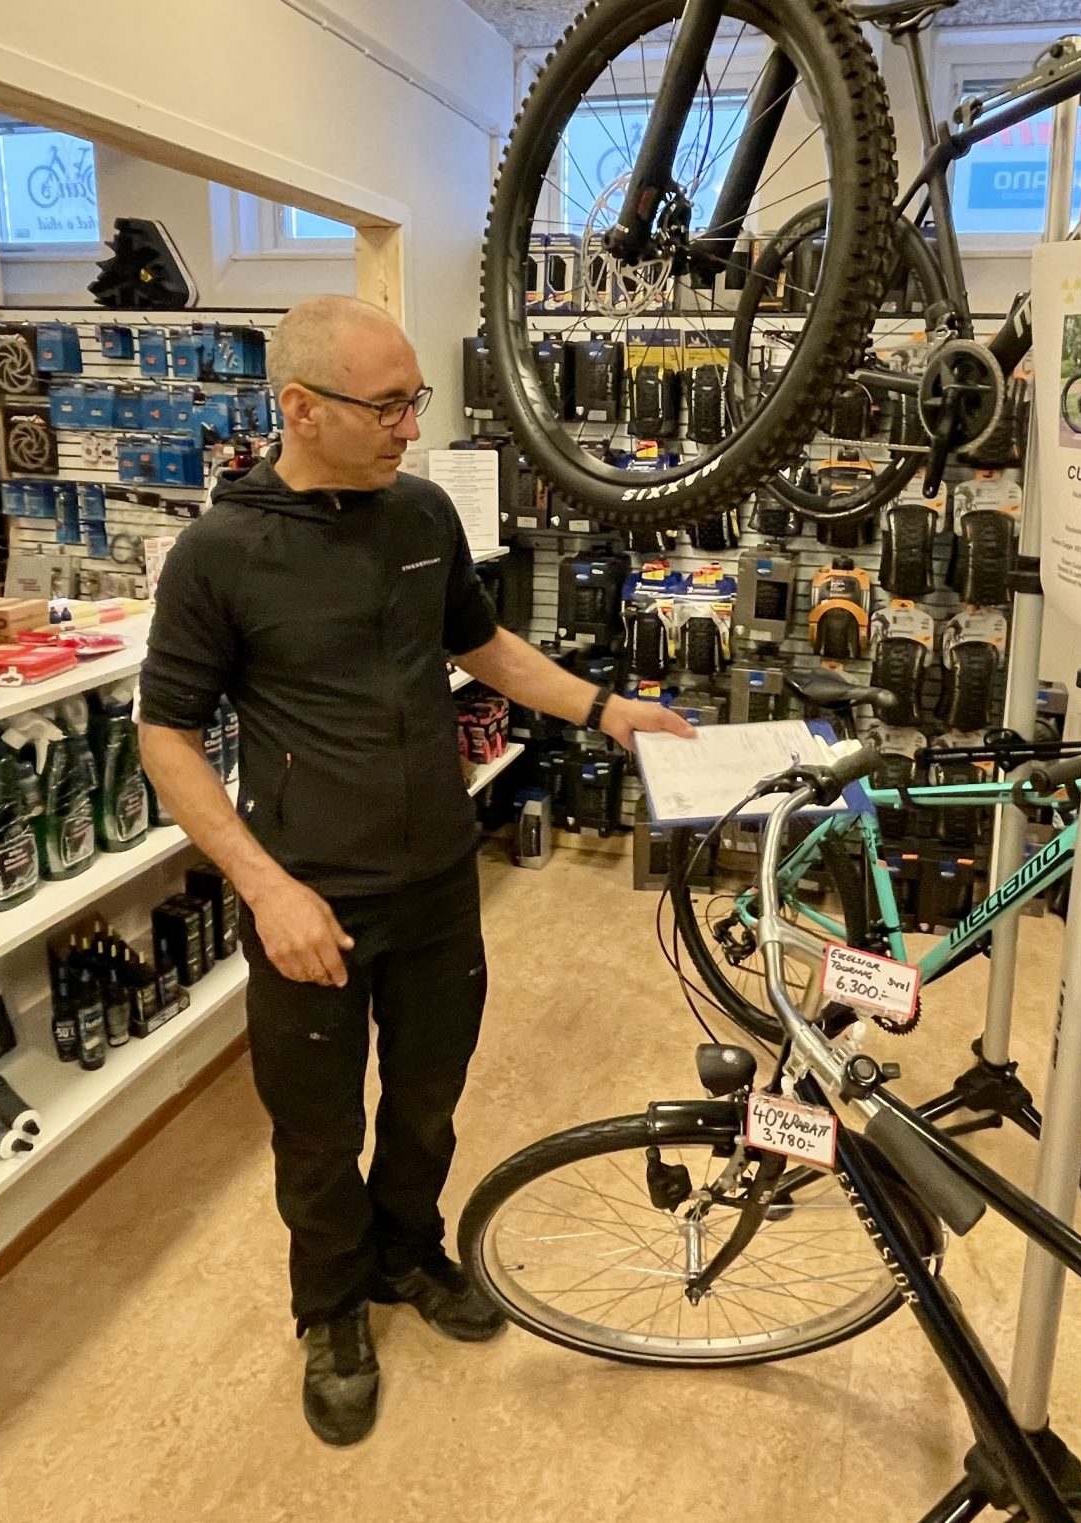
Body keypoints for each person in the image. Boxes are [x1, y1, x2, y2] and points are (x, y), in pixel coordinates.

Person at [137, 294, 693, 1446]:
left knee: (427, 1100)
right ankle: (332, 1305)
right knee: (317, 1129)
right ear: (301, 408)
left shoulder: (421, 512)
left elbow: (481, 646)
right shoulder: (219, 552)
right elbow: (166, 735)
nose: (409, 425)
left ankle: (405, 1250)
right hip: (311, 897)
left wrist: (606, 708)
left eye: (413, 402)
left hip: (438, 879)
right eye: (387, 405)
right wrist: (265, 887)